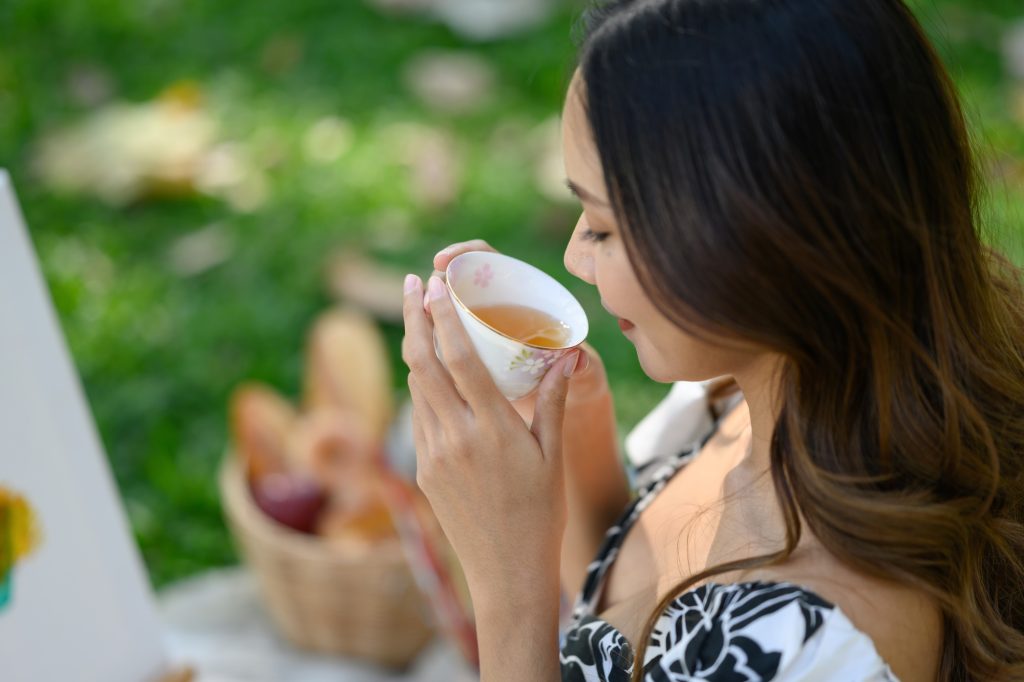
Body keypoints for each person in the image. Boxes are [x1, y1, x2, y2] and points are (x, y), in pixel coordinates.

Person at [399, 0, 1024, 679]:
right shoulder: (757, 390)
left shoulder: (806, 648)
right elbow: (624, 618)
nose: (577, 257)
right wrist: (575, 427)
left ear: (754, 239)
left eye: (604, 226)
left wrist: (505, 579)